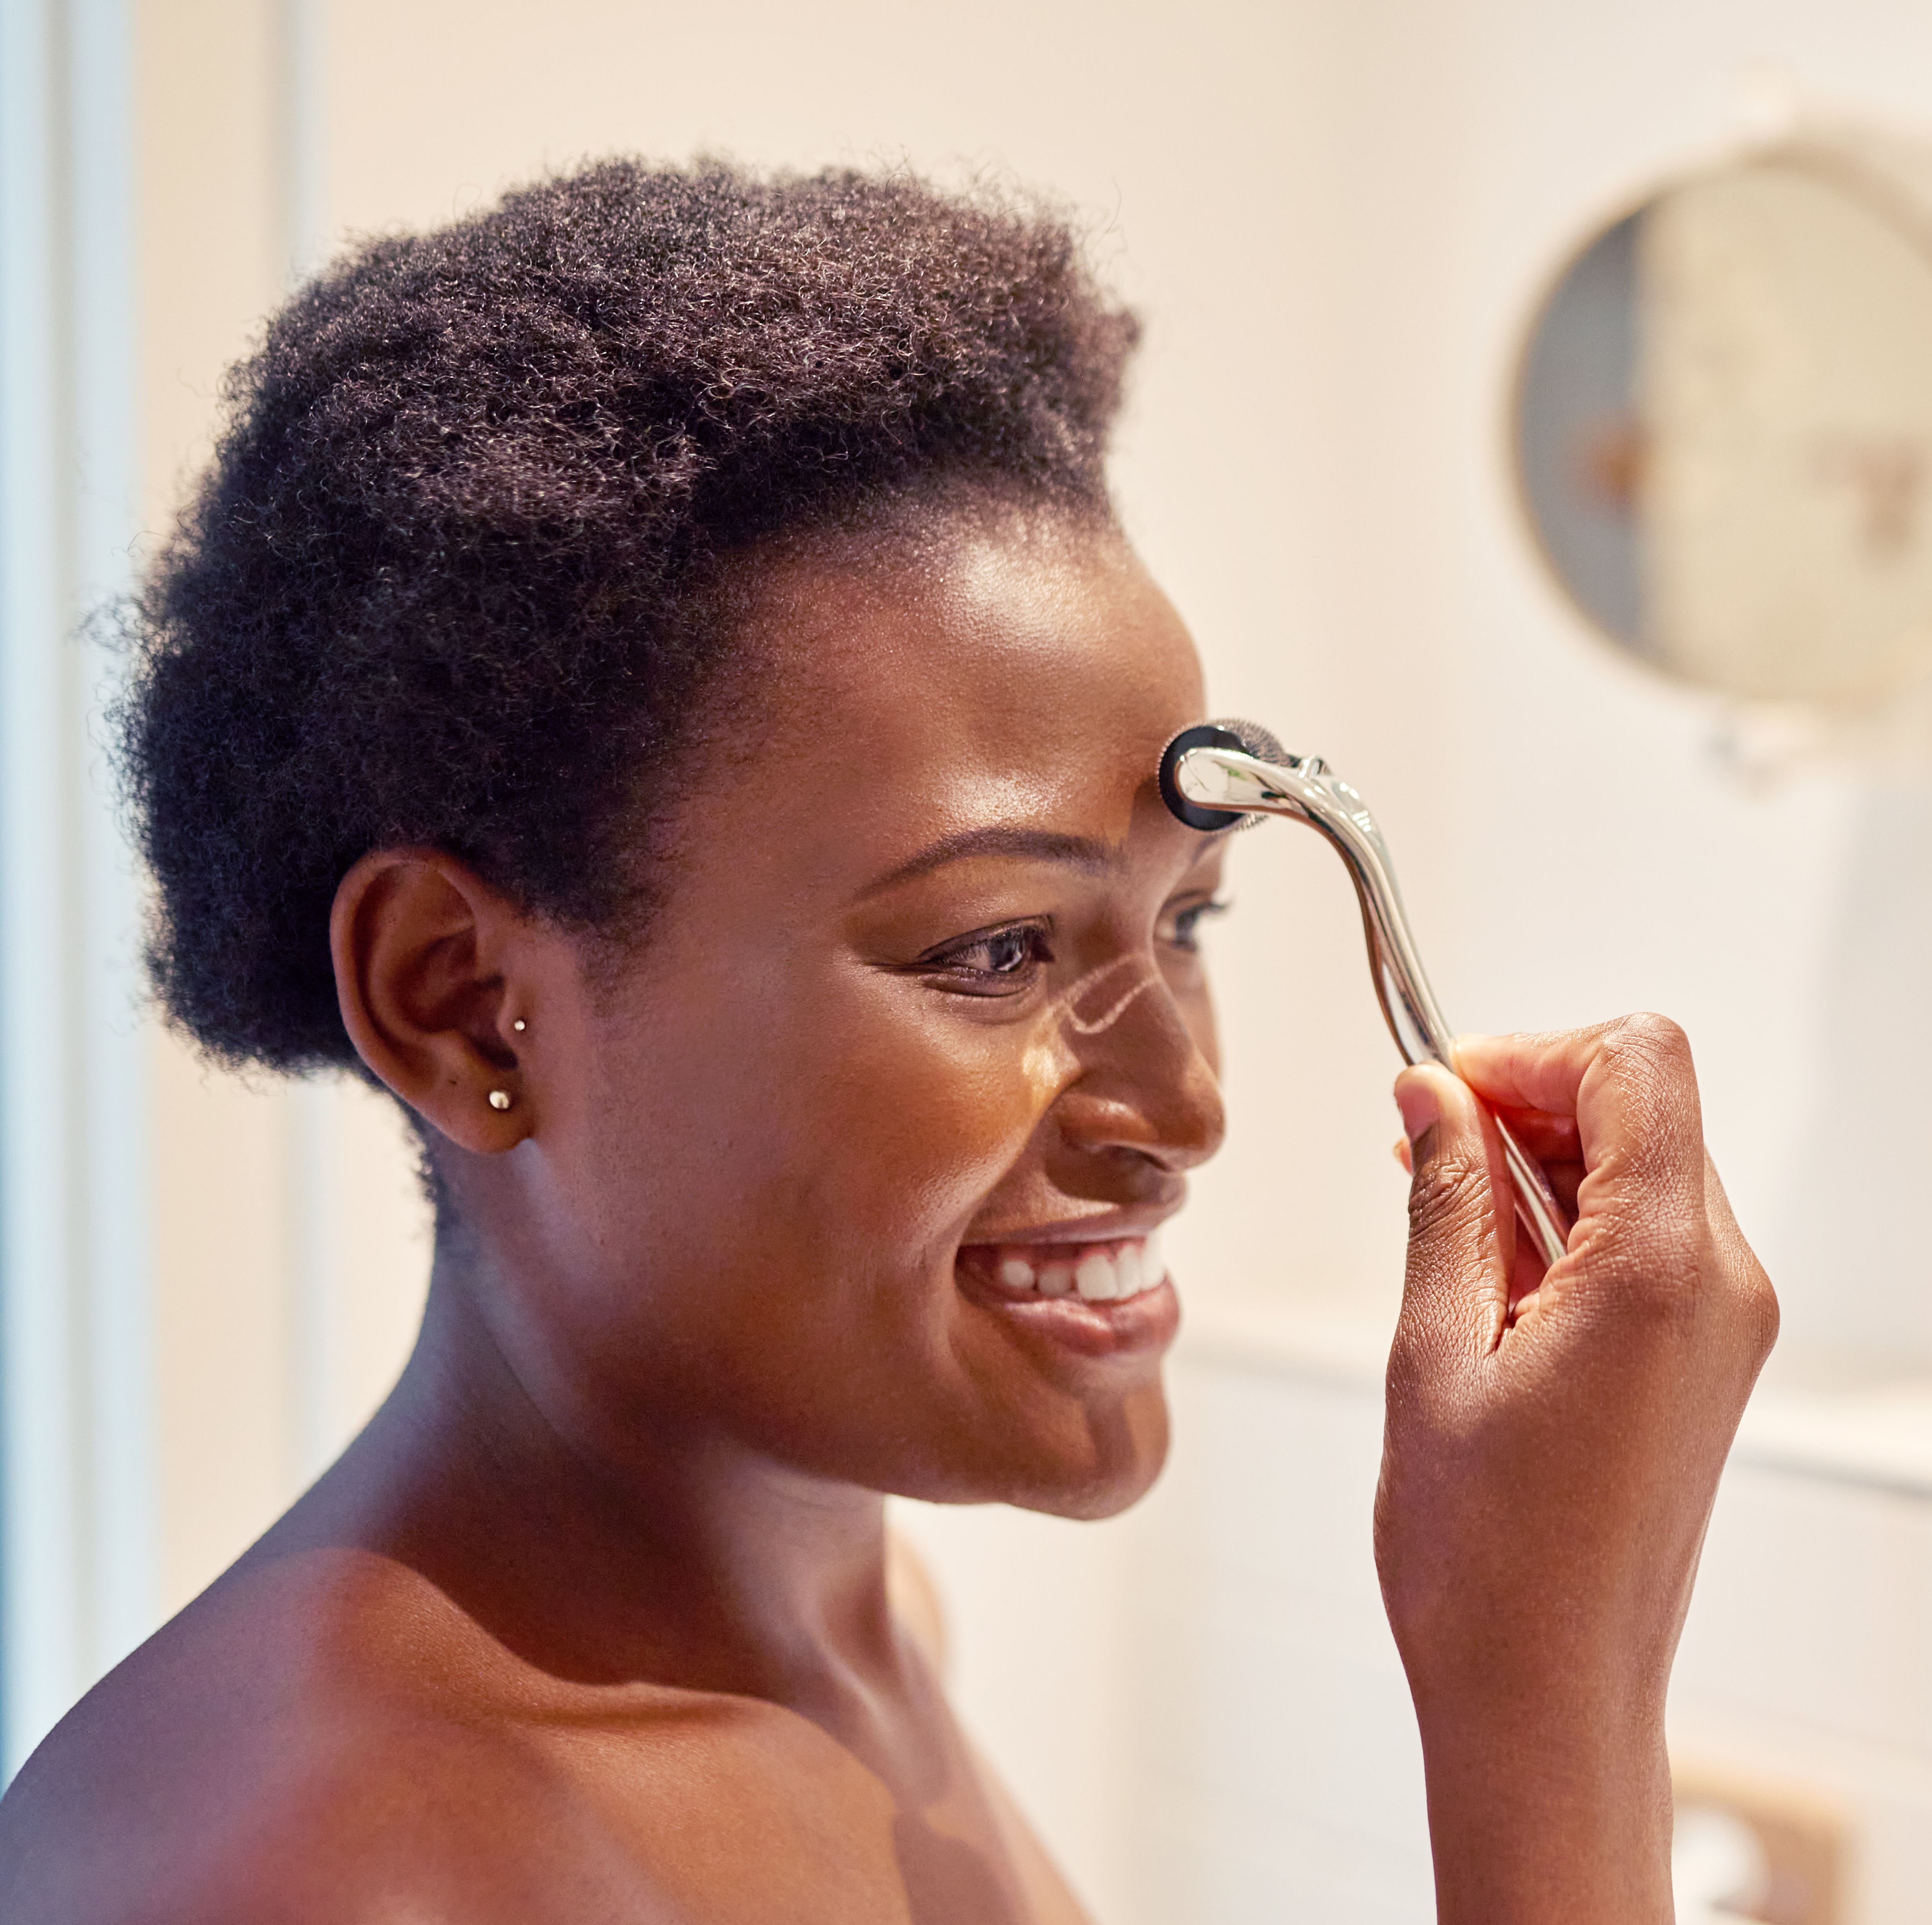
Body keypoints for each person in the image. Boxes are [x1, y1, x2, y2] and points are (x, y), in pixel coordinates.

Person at [0, 159, 1776, 1923]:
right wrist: (1554, 1695)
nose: (1188, 1106)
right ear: (458, 996)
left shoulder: (860, 1636)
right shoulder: (317, 1869)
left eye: (1186, 920)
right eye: (996, 947)